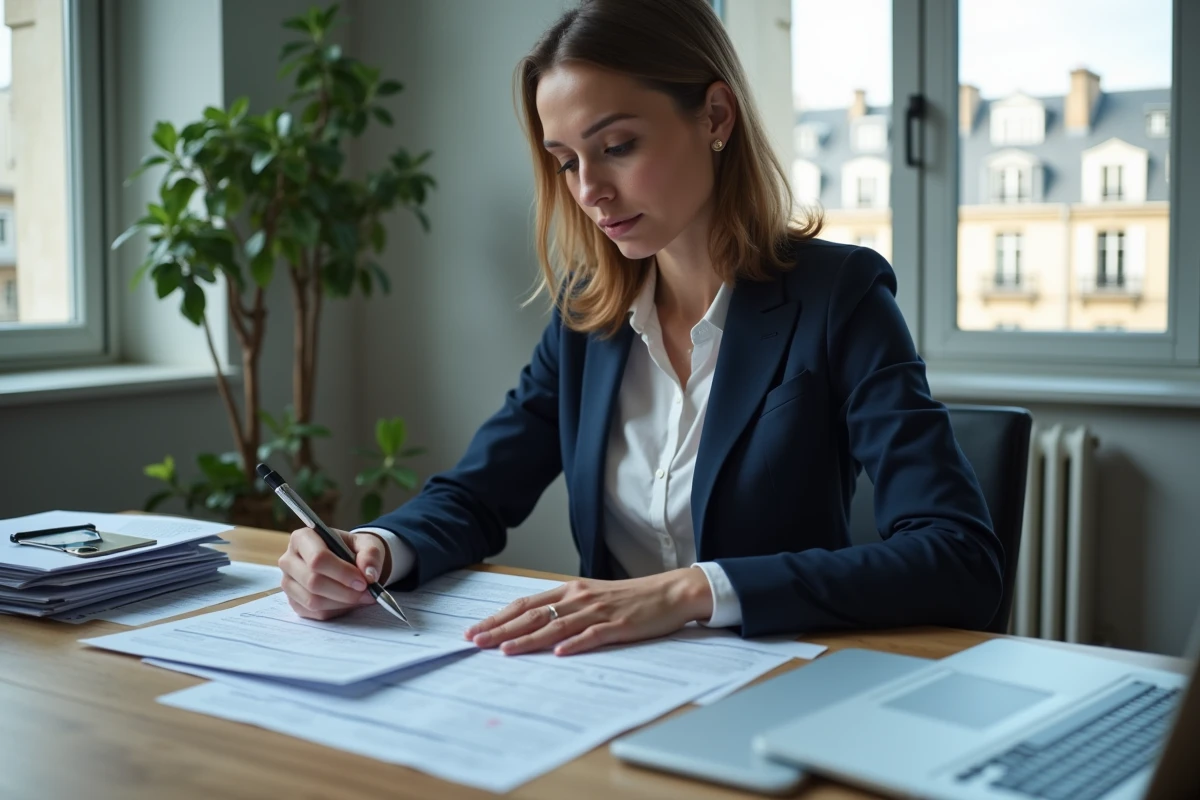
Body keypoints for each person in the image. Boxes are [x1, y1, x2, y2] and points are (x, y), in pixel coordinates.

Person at [278, 0, 1003, 657]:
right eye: (566, 162)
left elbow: (958, 555)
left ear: (716, 117)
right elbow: (475, 495)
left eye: (617, 146)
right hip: (606, 688)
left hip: (779, 681)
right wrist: (373, 546)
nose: (590, 190)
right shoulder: (586, 317)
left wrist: (694, 589)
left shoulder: (839, 296)